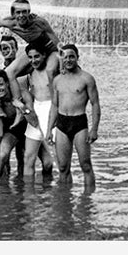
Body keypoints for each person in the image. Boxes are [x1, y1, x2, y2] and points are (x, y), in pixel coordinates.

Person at [48, 44, 100, 191]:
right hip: (62, 123)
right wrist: (48, 129)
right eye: (65, 57)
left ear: (77, 57)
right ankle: (66, 201)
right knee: (63, 167)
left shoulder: (87, 78)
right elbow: (54, 106)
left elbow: (95, 104)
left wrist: (94, 129)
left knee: (85, 165)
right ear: (61, 59)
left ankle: (88, 200)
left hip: (79, 124)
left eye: (72, 56)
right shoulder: (57, 80)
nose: (68, 60)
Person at [15, 44, 56, 181]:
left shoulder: (52, 70)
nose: (34, 60)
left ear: (44, 55)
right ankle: (28, 195)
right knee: (28, 157)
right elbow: (9, 73)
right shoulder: (29, 72)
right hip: (36, 110)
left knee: (60, 159)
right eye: (30, 58)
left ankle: (62, 196)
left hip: (51, 110)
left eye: (37, 56)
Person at [0, 70, 28, 179]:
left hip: (28, 128)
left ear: (7, 83)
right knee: (3, 154)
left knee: (41, 162)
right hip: (12, 131)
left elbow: (34, 118)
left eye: (0, 85)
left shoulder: (22, 94)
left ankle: (22, 186)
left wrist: (23, 108)